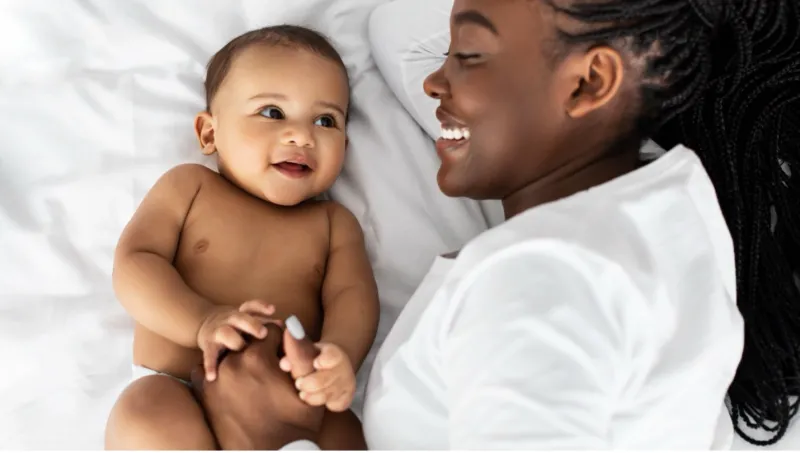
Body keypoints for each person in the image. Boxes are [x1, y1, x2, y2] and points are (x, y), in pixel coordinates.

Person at [197, 0, 800, 449]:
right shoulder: (665, 183)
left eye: (469, 56)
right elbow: (399, 30)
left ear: (590, 82)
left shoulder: (539, 291)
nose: (435, 80)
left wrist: (278, 435)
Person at [104, 25, 379, 450]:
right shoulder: (189, 188)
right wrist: (202, 322)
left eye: (326, 120)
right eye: (272, 113)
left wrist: (338, 356)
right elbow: (135, 262)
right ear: (210, 133)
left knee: (345, 432)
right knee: (144, 411)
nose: (302, 136)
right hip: (179, 389)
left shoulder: (333, 223)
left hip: (291, 408)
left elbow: (353, 297)